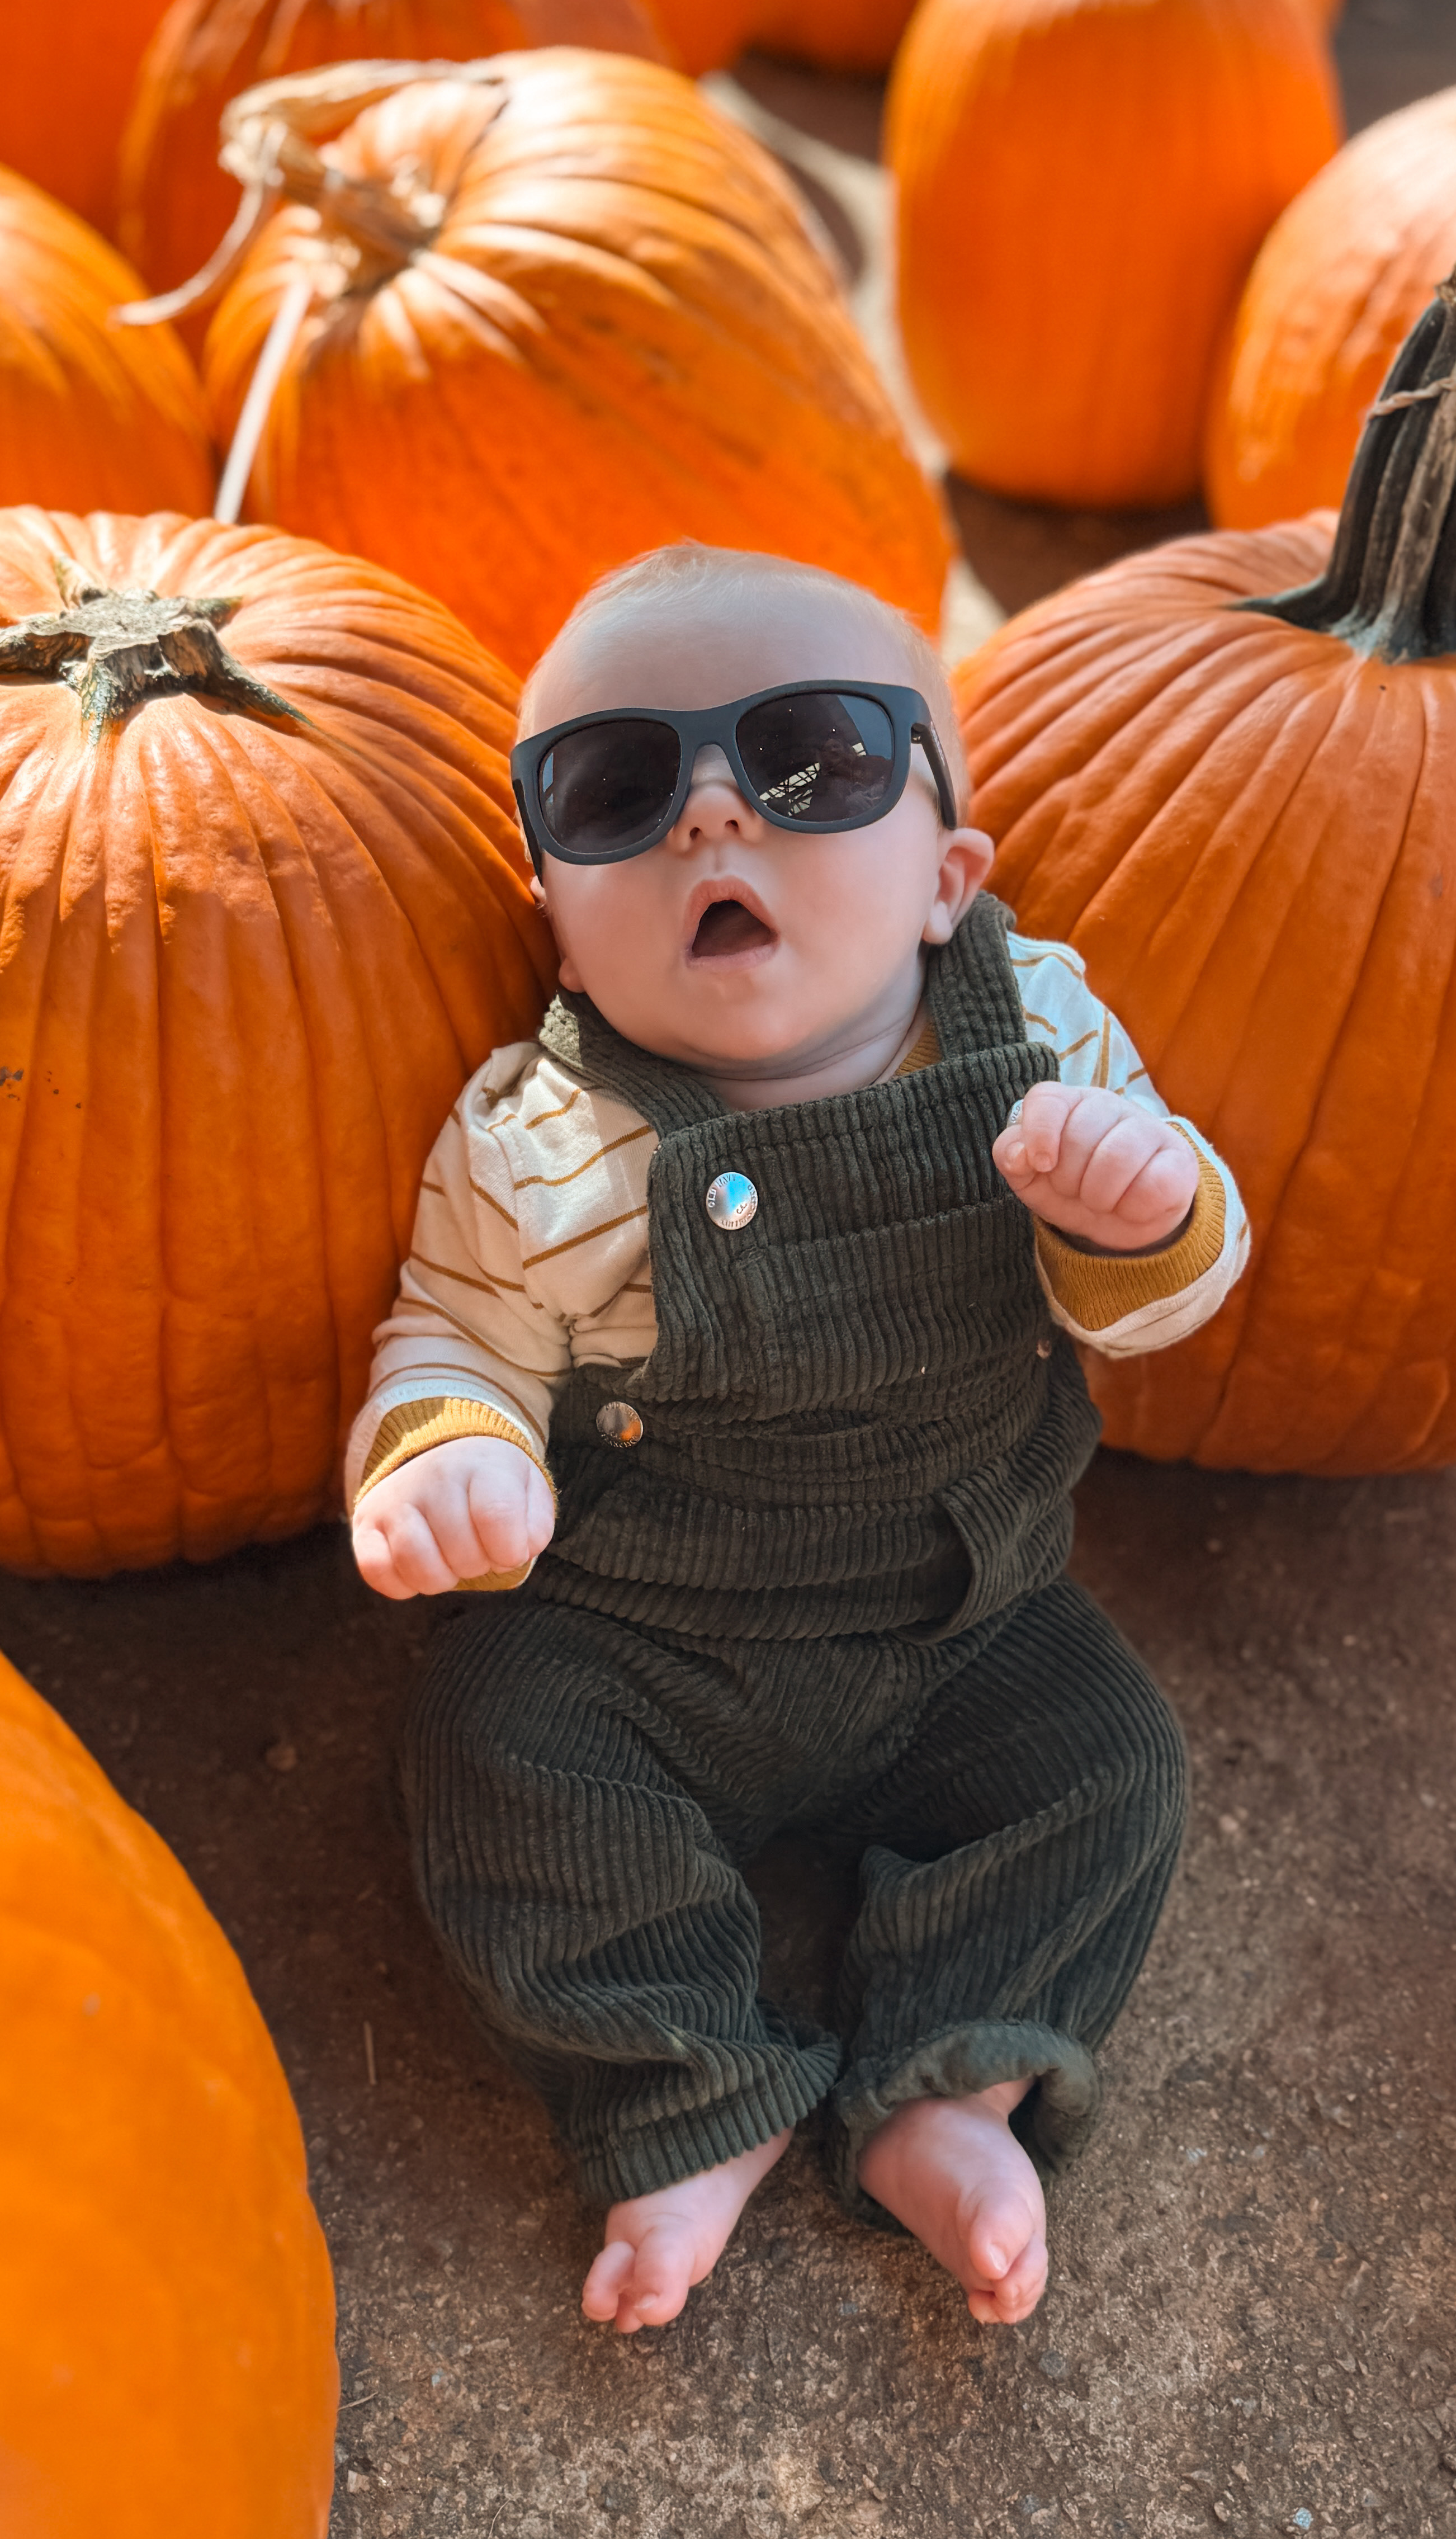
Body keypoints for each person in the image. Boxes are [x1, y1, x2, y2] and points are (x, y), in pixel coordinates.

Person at [346, 544, 1248, 2335]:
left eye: (811, 761)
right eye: (615, 789)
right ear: (552, 906)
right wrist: (448, 1454)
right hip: (635, 1646)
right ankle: (683, 2096)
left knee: (1114, 1773)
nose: (706, 818)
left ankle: (948, 2085)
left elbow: (1144, 1309)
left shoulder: (1041, 1032)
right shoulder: (543, 1137)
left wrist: (1141, 1216)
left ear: (946, 878)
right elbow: (453, 1325)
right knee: (491, 1752)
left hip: (962, 1625)